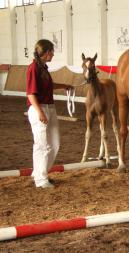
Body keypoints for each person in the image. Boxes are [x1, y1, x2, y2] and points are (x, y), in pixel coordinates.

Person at [26, 39, 73, 189]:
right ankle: (41, 179)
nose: (53, 54)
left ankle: (39, 172)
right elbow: (30, 94)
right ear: (46, 53)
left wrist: (64, 86)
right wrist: (40, 112)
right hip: (39, 108)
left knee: (55, 143)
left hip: (49, 107)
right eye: (52, 51)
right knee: (43, 145)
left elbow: (48, 85)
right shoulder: (33, 68)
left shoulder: (43, 68)